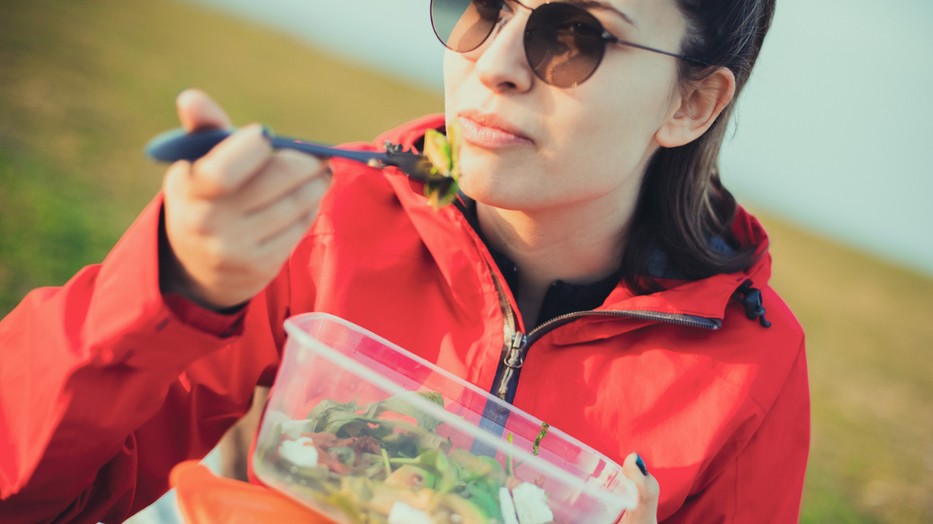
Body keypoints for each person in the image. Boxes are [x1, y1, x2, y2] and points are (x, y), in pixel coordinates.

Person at [0, 0, 809, 522]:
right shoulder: (332, 224)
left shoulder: (752, 365)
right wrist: (170, 291)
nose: (494, 64)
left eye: (575, 36)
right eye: (484, 9)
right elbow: (37, 496)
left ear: (690, 104)